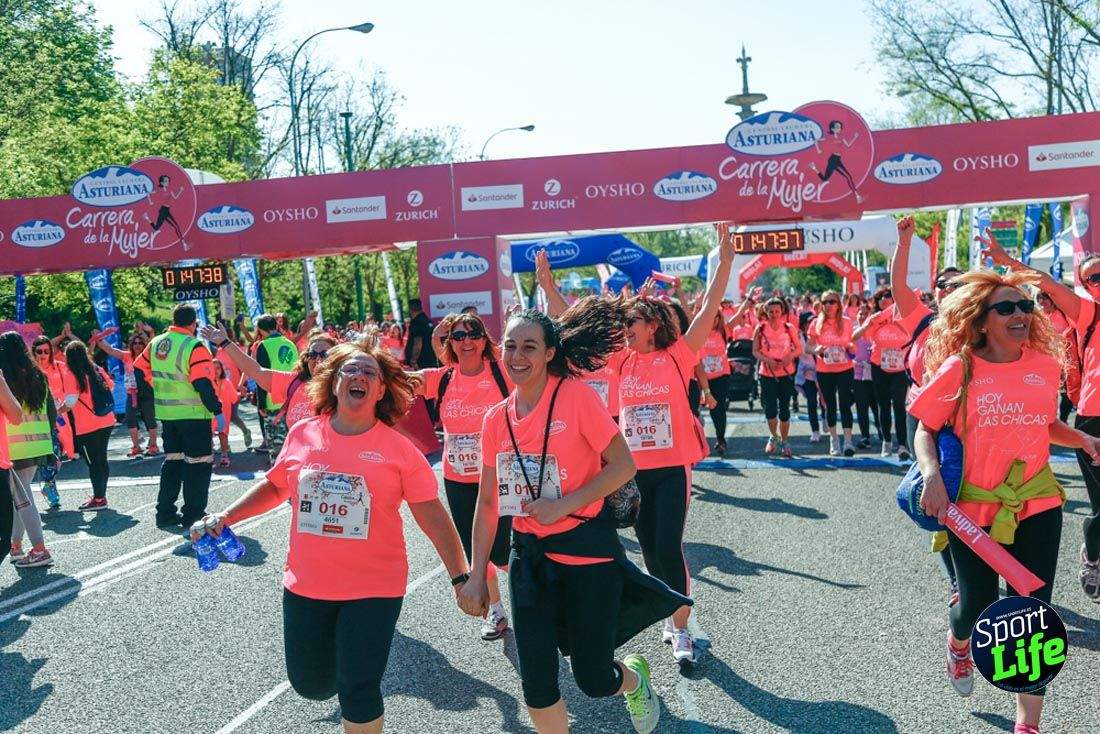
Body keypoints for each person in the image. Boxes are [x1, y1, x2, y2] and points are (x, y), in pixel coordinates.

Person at [194, 339, 468, 734]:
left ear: (380, 390)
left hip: (375, 586)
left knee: (359, 686)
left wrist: (461, 577)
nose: (359, 377)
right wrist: (226, 515)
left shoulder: (398, 450)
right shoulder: (303, 434)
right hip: (307, 583)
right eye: (349, 371)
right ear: (333, 382)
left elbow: (431, 514)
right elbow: (275, 487)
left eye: (369, 373)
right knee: (311, 684)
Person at [459, 300, 687, 734]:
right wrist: (475, 574)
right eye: (510, 346)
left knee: (594, 678)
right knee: (537, 682)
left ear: (549, 354)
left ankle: (635, 680)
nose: (518, 357)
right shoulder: (494, 420)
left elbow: (623, 464)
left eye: (529, 347)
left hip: (587, 553)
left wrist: (562, 505)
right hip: (528, 559)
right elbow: (487, 504)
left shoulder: (575, 397)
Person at [911, 269, 1100, 733]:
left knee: (1034, 615)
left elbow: (1043, 423)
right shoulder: (961, 367)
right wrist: (932, 475)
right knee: (976, 606)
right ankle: (960, 644)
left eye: (1025, 306)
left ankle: (1027, 724)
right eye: (1006, 308)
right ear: (981, 321)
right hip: (974, 508)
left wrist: (1078, 437)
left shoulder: (1043, 365)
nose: (1020, 314)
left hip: (1037, 501)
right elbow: (925, 430)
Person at [617, 224, 734, 664]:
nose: (625, 328)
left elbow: (708, 307)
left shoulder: (677, 356)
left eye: (632, 321)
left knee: (668, 547)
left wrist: (722, 261)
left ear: (652, 326)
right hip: (632, 472)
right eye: (624, 322)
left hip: (671, 470)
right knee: (649, 552)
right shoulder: (619, 361)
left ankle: (682, 628)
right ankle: (669, 611)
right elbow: (586, 331)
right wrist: (550, 286)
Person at [981, 231, 1100, 601]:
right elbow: (1044, 281)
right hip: (1095, 420)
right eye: (1093, 278)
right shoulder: (1088, 311)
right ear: (1084, 286)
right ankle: (1093, 555)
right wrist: (1005, 260)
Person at [412, 312, 514, 641]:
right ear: (450, 344)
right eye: (457, 336)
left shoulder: (502, 373)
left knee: (506, 552)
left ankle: (540, 600)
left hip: (503, 476)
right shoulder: (440, 378)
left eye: (473, 334)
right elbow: (391, 381)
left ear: (484, 340)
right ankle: (495, 611)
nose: (466, 341)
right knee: (477, 551)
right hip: (458, 478)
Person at [890, 215, 964, 602]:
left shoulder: (983, 324)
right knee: (940, 497)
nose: (951, 290)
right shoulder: (923, 322)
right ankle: (957, 579)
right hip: (924, 419)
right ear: (934, 292)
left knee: (975, 498)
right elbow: (898, 286)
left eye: (960, 285)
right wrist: (904, 243)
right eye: (944, 285)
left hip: (969, 421)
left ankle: (982, 570)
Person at [135, 305, 222, 529]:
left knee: (173, 462)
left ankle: (165, 513)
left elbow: (139, 367)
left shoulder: (155, 343)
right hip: (194, 415)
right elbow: (202, 382)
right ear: (194, 324)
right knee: (199, 465)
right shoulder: (194, 346)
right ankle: (193, 515)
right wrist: (217, 409)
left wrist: (157, 387)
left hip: (168, 415)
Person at [201, 325, 335, 438]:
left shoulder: (344, 388)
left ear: (336, 358)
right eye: (312, 354)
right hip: (299, 465)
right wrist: (225, 343)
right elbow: (255, 370)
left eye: (324, 354)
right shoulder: (293, 382)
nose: (317, 359)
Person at [0, 332, 56, 567]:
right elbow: (51, 413)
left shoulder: (7, 377)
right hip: (38, 444)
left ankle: (39, 548)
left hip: (13, 445)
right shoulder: (39, 376)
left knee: (23, 499)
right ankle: (16, 545)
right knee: (21, 498)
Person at [855, 286, 912, 460]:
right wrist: (866, 325)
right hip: (879, 366)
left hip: (900, 368)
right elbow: (856, 336)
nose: (883, 299)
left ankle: (903, 444)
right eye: (880, 297)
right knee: (883, 406)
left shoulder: (905, 316)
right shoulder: (875, 319)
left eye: (887, 296)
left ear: (894, 299)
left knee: (899, 407)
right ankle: (887, 441)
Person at [63, 340, 116, 512]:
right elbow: (111, 386)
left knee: (94, 463)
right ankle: (101, 495)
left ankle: (99, 499)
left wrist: (56, 411)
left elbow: (70, 402)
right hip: (106, 419)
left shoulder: (73, 374)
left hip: (87, 425)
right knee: (102, 459)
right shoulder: (95, 368)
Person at [94, 328, 158, 457]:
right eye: (135, 343)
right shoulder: (127, 356)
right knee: (130, 418)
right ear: (131, 345)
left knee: (150, 418)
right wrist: (100, 339)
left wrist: (150, 333)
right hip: (131, 392)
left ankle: (153, 445)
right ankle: (136, 446)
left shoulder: (148, 356)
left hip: (146, 391)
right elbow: (110, 350)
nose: (137, 345)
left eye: (140, 343)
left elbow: (153, 344)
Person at [807, 289, 856, 456]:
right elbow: (808, 347)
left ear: (838, 304)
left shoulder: (847, 322)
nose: (828, 305)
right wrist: (816, 349)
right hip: (824, 369)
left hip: (845, 368)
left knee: (845, 403)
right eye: (825, 302)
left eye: (832, 301)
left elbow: (852, 344)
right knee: (829, 405)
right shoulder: (816, 323)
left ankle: (848, 441)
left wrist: (850, 347)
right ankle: (834, 440)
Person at [752, 297, 800, 458]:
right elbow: (755, 351)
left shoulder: (789, 328)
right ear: (766, 311)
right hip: (767, 373)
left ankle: (785, 441)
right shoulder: (760, 329)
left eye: (777, 311)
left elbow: (799, 348)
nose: (774, 314)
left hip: (786, 373)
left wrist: (789, 357)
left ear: (782, 312)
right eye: (771, 311)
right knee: (770, 408)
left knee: (785, 409)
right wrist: (768, 361)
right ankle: (773, 436)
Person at [250, 314, 300, 462]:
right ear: (276, 326)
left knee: (277, 449)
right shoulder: (290, 343)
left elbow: (261, 376)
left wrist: (261, 404)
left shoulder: (263, 346)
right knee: (293, 445)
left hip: (273, 401)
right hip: (292, 399)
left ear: (260, 329)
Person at [32, 336, 76, 464]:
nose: (43, 354)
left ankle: (69, 454)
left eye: (47, 351)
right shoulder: (30, 369)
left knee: (64, 431)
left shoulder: (60, 366)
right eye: (39, 351)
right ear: (34, 352)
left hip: (58, 408)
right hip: (38, 409)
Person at [700, 309, 733, 455]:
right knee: (706, 409)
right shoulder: (698, 331)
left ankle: (721, 439)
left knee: (718, 407)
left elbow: (737, 318)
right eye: (710, 316)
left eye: (716, 317)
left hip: (721, 375)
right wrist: (680, 291)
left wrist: (749, 300)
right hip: (703, 376)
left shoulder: (724, 331)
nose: (713, 320)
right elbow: (687, 314)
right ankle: (700, 442)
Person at [795, 312, 822, 443]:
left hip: (824, 372)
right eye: (808, 323)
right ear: (803, 324)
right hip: (808, 374)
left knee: (825, 401)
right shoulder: (798, 337)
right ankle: (815, 431)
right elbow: (797, 353)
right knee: (812, 402)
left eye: (814, 322)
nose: (811, 325)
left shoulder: (821, 335)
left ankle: (826, 418)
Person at [211, 361, 238, 468]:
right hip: (210, 414)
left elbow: (234, 398)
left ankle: (224, 455)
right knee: (208, 435)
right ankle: (210, 457)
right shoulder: (207, 383)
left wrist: (240, 393)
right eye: (213, 368)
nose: (216, 370)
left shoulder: (226, 382)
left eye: (218, 368)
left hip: (223, 414)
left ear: (222, 369)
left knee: (223, 435)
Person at [405, 299, 438, 370]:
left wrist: (413, 360)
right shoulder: (427, 320)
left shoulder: (416, 322)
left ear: (410, 309)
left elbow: (418, 342)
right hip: (431, 359)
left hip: (421, 362)